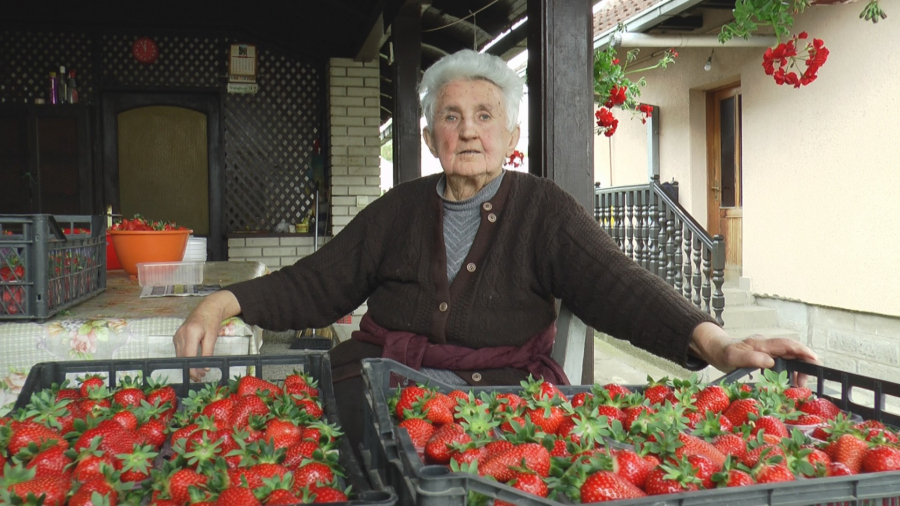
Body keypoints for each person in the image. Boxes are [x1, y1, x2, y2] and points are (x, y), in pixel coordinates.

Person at [174, 49, 817, 447]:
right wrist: (219, 304)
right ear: (430, 137)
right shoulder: (397, 210)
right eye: (451, 116)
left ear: (510, 131)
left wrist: (716, 343)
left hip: (497, 398)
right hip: (379, 382)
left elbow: (617, 284)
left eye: (484, 115)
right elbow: (317, 283)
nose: (468, 131)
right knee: (321, 459)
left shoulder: (541, 209)